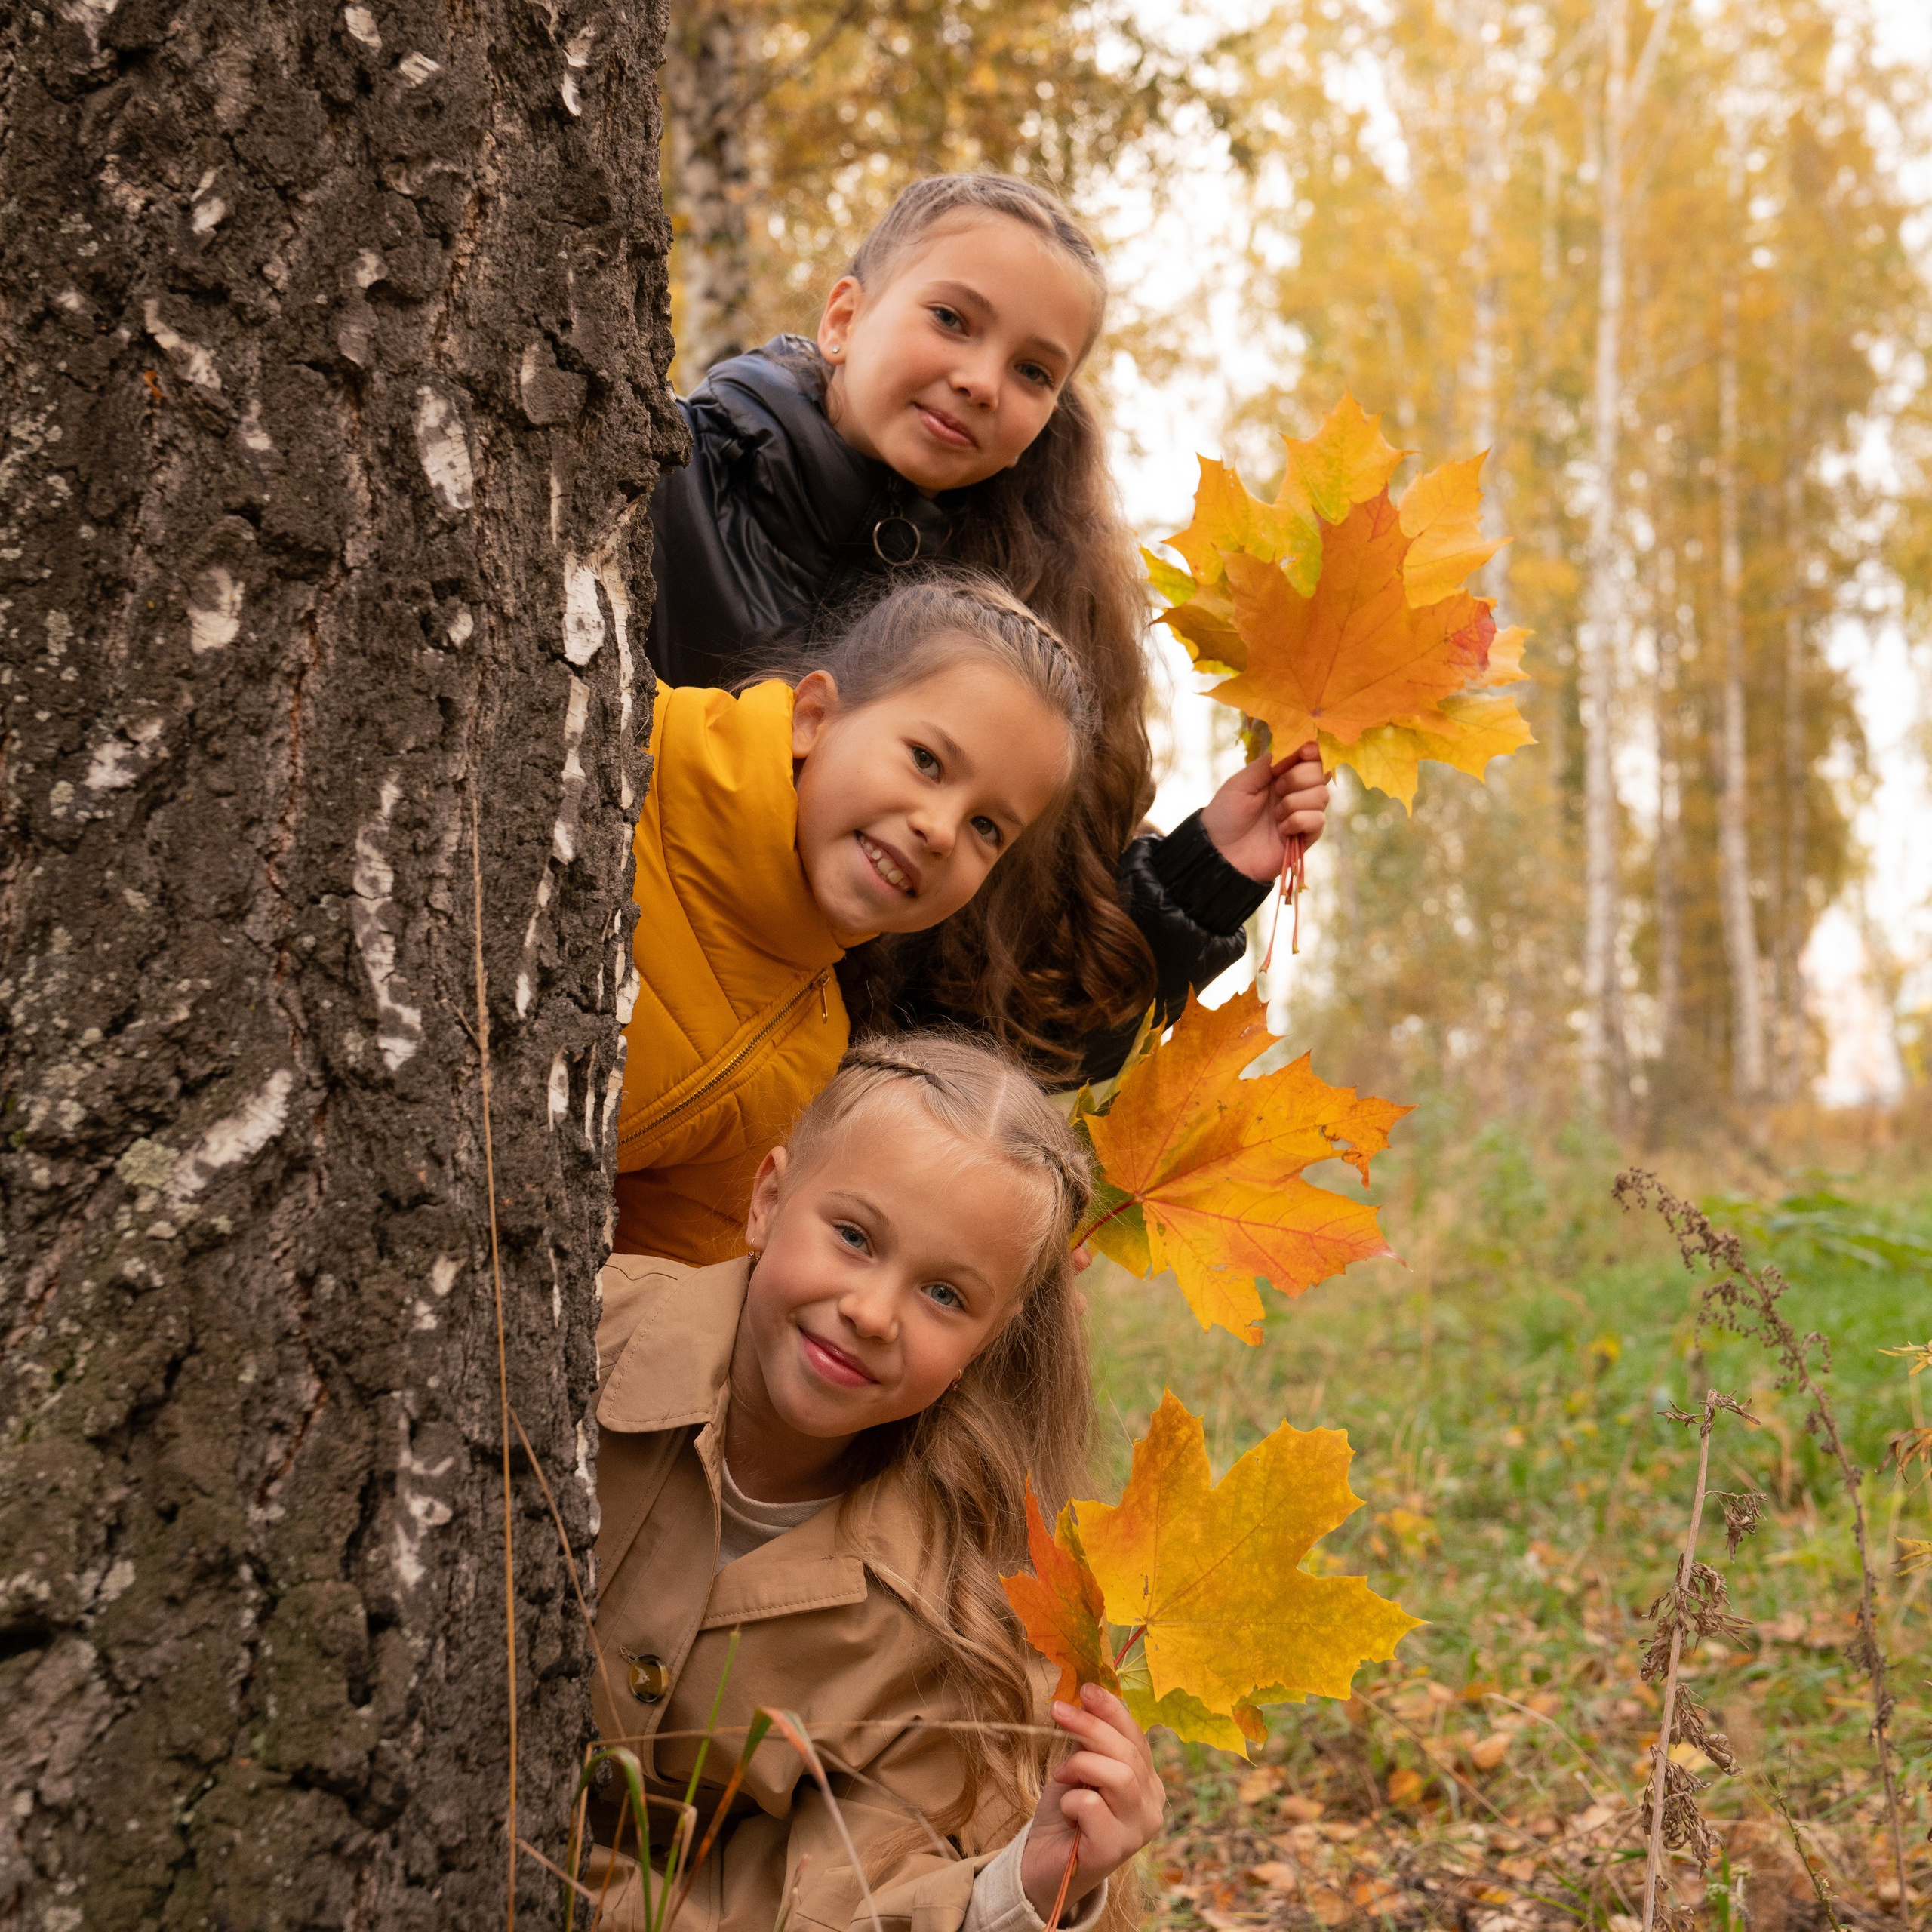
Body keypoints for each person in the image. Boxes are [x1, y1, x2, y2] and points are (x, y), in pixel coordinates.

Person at [647, 171, 1330, 1084]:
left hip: (746, 1137)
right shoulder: (663, 481)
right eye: (952, 320)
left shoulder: (1015, 633)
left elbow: (989, 1036)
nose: (979, 381)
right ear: (843, 319)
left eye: (1033, 371)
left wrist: (1204, 877)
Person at [587, 1032, 1164, 1932]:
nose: (870, 1312)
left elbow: (850, 1897)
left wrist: (1026, 1879)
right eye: (853, 1237)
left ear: (990, 1340)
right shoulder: (582, 1337)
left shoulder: (957, 1610)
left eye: (944, 1295)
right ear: (768, 1198)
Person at [615, 572, 1090, 1262]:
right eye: (927, 761)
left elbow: (663, 1292)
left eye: (987, 827)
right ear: (814, 718)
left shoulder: (793, 1060)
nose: (940, 830)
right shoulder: (620, 729)